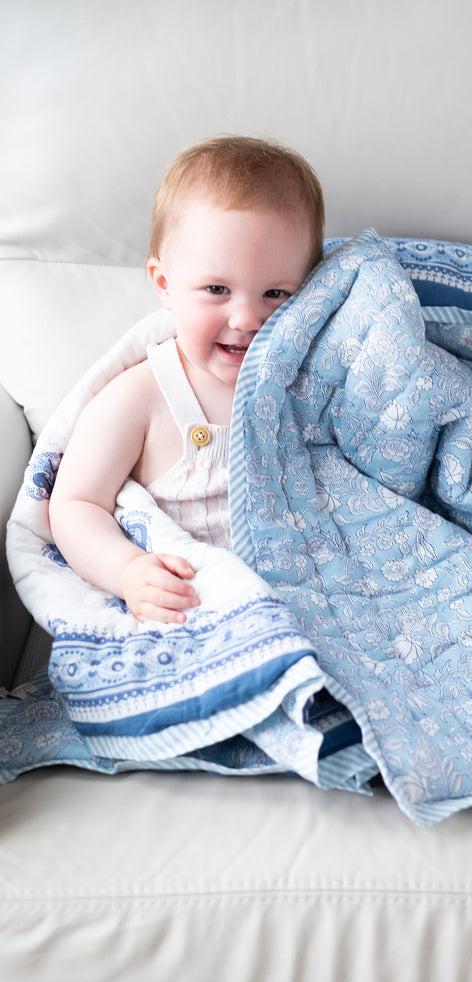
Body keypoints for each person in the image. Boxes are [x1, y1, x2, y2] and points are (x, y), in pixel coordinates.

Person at [48, 136, 324, 624]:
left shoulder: (305, 380)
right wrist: (129, 571)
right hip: (192, 607)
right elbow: (75, 504)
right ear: (164, 285)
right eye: (217, 289)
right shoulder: (142, 397)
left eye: (276, 293)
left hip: (308, 599)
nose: (246, 317)